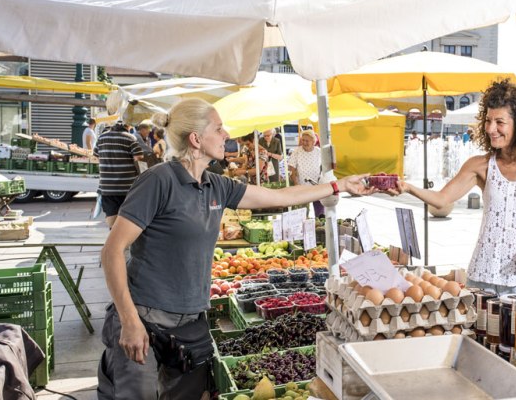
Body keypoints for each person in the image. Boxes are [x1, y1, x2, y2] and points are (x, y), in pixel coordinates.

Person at [96, 99, 374, 400]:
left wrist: (338, 186)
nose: (226, 134)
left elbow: (280, 196)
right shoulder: (158, 181)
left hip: (190, 322)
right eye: (219, 129)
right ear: (196, 138)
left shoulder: (216, 185)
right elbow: (112, 251)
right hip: (143, 316)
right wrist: (129, 321)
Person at [390, 79, 516, 308]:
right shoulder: (481, 165)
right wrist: (408, 187)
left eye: (499, 122)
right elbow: (442, 199)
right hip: (484, 280)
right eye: (488, 120)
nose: (490, 129)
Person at [94, 121, 144, 228]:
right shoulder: (130, 138)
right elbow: (139, 157)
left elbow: (96, 155)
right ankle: (123, 236)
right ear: (128, 126)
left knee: (111, 213)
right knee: (127, 216)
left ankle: (112, 231)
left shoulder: (102, 137)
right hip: (127, 186)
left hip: (107, 186)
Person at [288, 129, 324, 217]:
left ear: (313, 142)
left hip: (316, 185)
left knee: (320, 213)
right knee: (302, 213)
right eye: (303, 140)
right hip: (302, 186)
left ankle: (320, 224)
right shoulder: (297, 151)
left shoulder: (319, 151)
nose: (304, 142)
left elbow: (324, 167)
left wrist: (323, 180)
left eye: (307, 141)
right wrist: (296, 183)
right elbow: (291, 168)